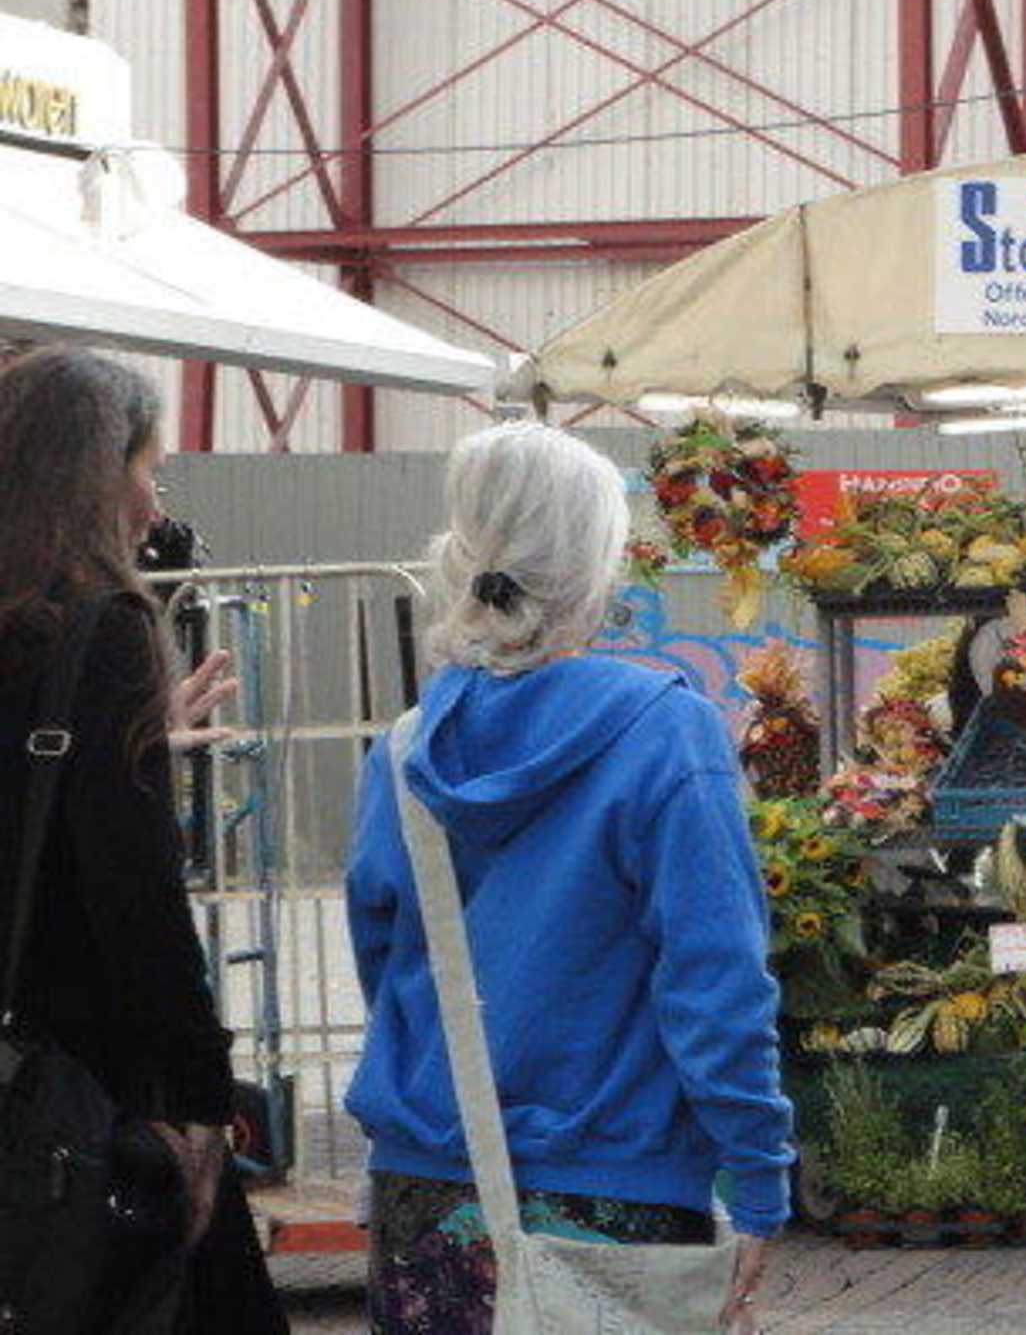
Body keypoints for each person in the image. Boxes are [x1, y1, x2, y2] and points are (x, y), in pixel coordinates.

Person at [346, 420, 792, 1332]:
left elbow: (386, 965)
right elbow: (714, 978)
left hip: (426, 1189)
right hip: (614, 1189)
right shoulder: (663, 732)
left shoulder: (404, 750)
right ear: (598, 563)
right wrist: (757, 1171)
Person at [0, 347, 283, 1331]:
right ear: (91, 476)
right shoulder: (100, 628)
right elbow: (137, 899)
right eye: (149, 470)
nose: (155, 509)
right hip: (85, 1083)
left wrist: (128, 739)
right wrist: (202, 1102)